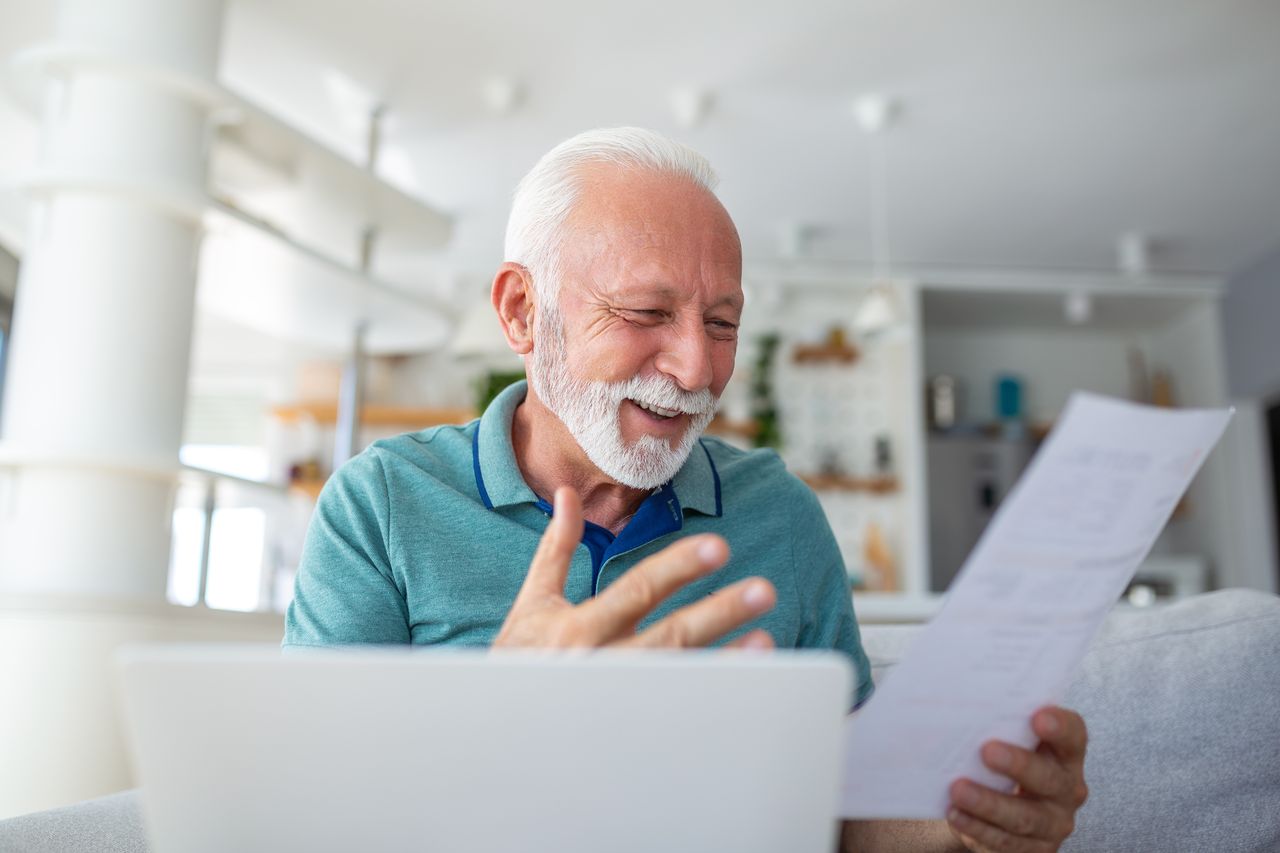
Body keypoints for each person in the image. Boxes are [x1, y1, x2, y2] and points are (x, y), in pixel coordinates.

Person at [285, 127, 1088, 852]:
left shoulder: (780, 511)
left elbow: (845, 808)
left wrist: (963, 815)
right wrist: (501, 724)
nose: (698, 370)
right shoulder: (381, 504)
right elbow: (306, 812)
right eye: (644, 311)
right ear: (524, 311)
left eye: (723, 323)